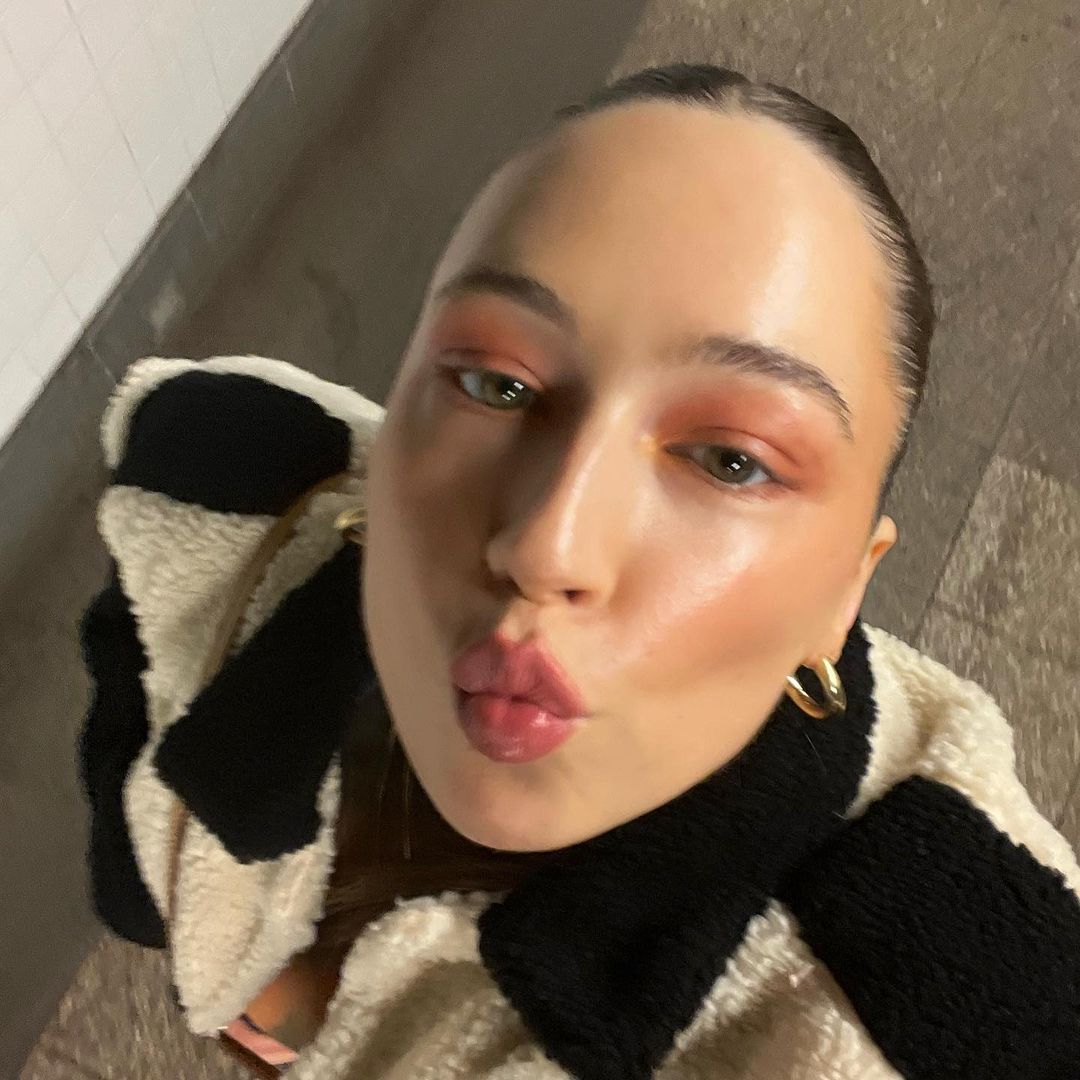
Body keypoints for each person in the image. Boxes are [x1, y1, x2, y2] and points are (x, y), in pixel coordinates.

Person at [77, 63, 1080, 1080]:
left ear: (845, 590)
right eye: (495, 383)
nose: (546, 547)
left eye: (730, 460)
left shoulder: (940, 1001)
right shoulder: (221, 490)